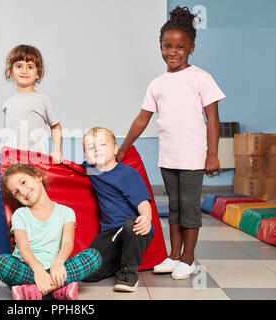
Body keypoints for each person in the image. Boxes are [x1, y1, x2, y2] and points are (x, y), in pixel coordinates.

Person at [116, 6, 226, 280]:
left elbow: (213, 119)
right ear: (160, 47)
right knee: (174, 207)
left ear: (191, 48)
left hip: (192, 156)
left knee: (189, 207)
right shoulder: (157, 84)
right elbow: (142, 119)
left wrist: (212, 154)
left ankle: (188, 258)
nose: (172, 51)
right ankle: (174, 255)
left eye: (179, 46)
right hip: (168, 156)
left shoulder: (201, 78)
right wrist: (123, 147)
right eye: (167, 46)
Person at [0, 163, 102, 300]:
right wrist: (38, 270)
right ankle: (58, 288)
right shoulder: (20, 215)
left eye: (23, 182)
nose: (22, 191)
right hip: (29, 270)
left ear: (37, 177)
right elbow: (24, 248)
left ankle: (34, 290)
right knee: (1, 264)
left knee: (94, 256)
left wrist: (59, 262)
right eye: (16, 192)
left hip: (57, 269)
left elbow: (68, 243)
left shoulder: (66, 212)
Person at [0, 45, 63, 257]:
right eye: (19, 65)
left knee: (34, 203)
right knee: (10, 203)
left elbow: (56, 126)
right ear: (11, 71)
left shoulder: (43, 99)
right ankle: (11, 250)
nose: (24, 70)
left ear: (38, 73)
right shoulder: (8, 102)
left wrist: (57, 151)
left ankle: (40, 249)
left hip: (34, 162)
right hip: (11, 161)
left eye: (30, 66)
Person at [81, 127, 154, 292]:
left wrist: (146, 218)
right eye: (91, 148)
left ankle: (129, 272)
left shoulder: (127, 174)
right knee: (89, 274)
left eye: (102, 144)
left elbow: (143, 203)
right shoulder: (92, 171)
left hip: (136, 229)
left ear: (115, 149)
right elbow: (69, 169)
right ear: (86, 156)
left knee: (130, 223)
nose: (97, 149)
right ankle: (118, 261)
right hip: (110, 232)